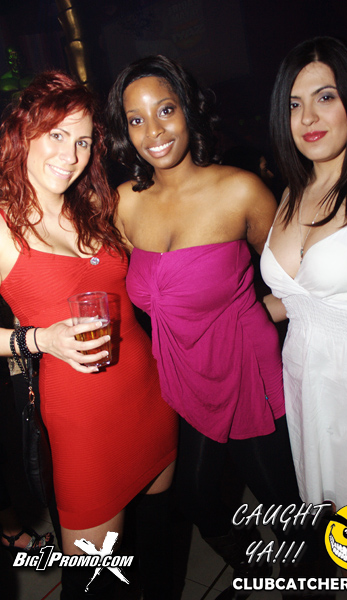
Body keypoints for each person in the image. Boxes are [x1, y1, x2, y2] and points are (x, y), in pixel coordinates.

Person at [107, 55, 305, 598]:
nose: (154, 131)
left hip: (246, 370)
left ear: (188, 110)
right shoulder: (125, 204)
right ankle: (255, 570)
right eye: (136, 119)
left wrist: (254, 314)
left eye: (165, 110)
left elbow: (297, 283)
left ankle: (307, 581)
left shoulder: (241, 191)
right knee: (195, 497)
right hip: (182, 375)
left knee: (284, 507)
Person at [0, 71, 178, 600]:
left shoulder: (94, 209)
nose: (70, 154)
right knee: (96, 579)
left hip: (150, 397)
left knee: (156, 547)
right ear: (22, 134)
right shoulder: (3, 223)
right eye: (57, 134)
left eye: (82, 141)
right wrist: (38, 340)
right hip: (84, 424)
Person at [261, 36, 347, 598]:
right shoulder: (291, 194)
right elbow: (299, 300)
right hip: (312, 395)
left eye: (325, 97)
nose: (308, 118)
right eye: (294, 104)